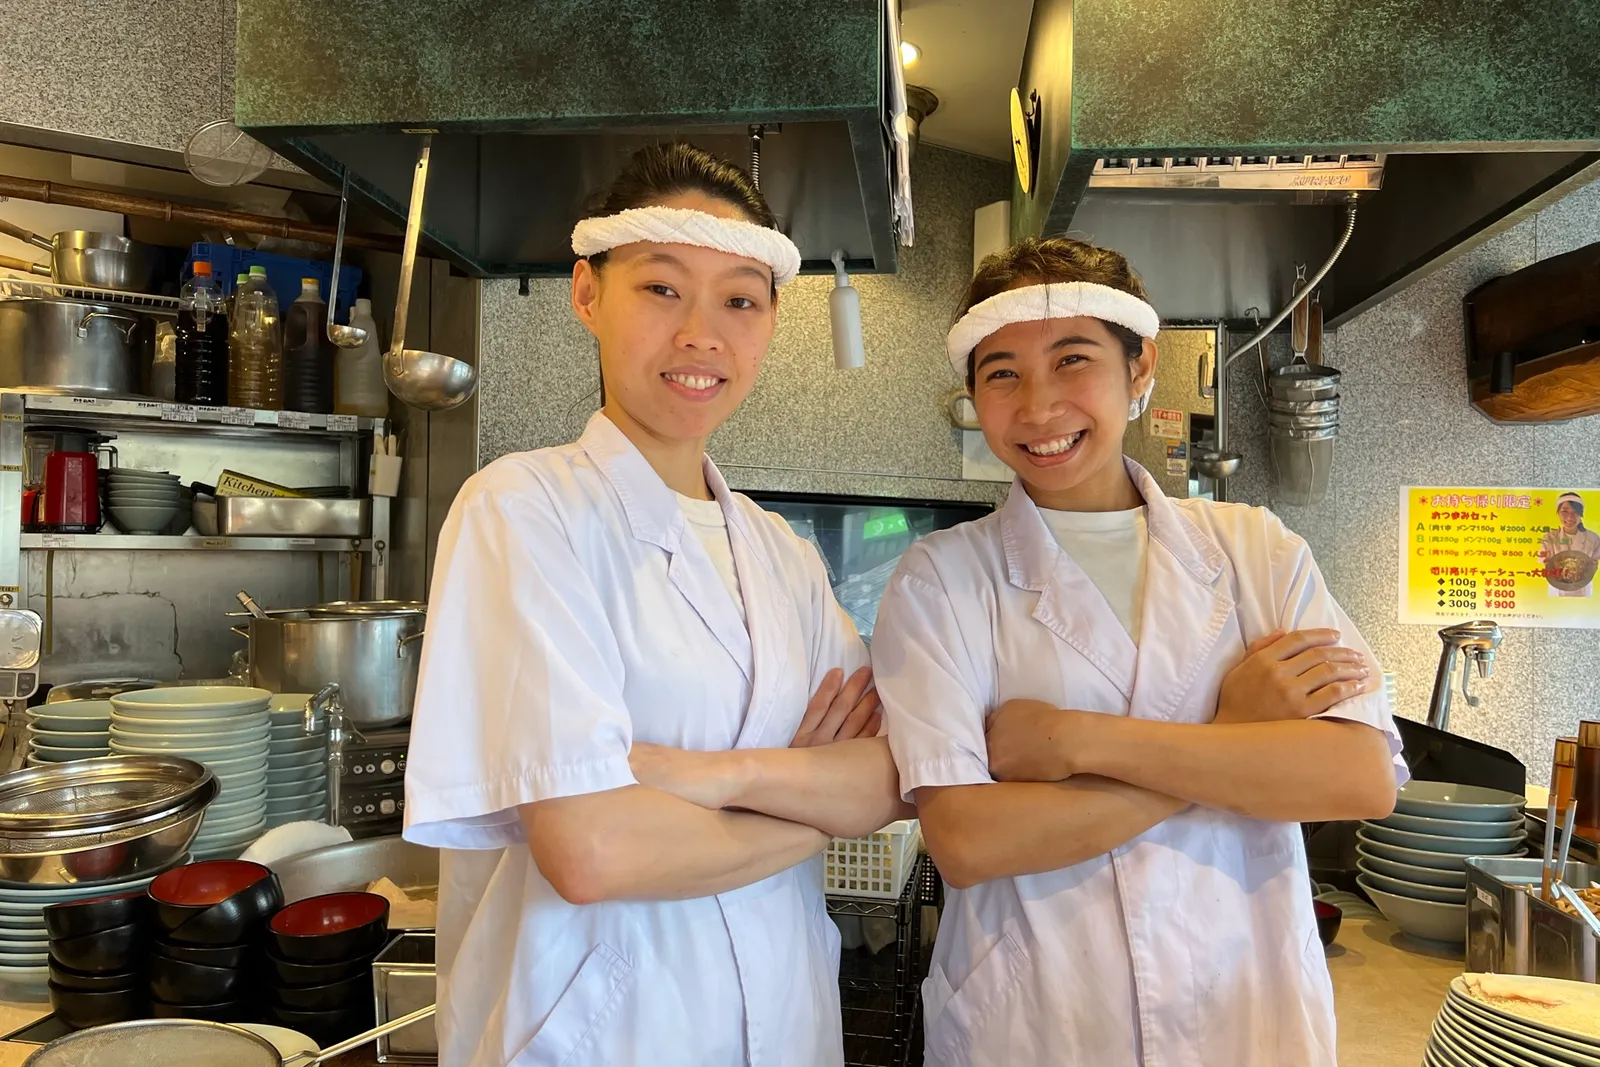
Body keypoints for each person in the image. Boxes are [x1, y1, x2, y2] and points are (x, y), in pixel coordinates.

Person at [403, 143, 907, 1067]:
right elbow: (592, 848)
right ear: (587, 293)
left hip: (789, 1029)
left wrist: (706, 777)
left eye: (738, 300)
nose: (701, 335)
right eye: (662, 289)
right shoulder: (523, 509)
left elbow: (886, 779)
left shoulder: (782, 557)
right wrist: (807, 800)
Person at [870, 237, 1407, 1067]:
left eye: (1072, 359)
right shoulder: (943, 580)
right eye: (1001, 372)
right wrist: (1236, 741)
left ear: (1140, 366)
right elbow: (970, 840)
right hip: (1042, 1023)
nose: (1039, 406)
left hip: (1247, 1013)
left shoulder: (1253, 550)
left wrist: (1075, 743)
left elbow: (1358, 777)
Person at [1539, 492, 1599, 597]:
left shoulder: (1593, 538)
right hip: (1557, 589)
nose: (1570, 517)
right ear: (1558, 513)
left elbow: (1594, 563)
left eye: (1575, 512)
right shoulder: (1549, 537)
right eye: (1565, 511)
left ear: (1581, 514)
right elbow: (1545, 562)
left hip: (1583, 590)